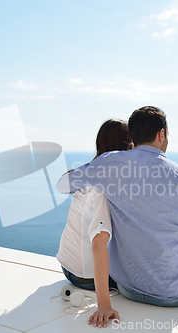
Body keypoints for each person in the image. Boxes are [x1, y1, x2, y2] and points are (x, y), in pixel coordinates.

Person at [56, 106, 178, 316]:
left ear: (133, 136)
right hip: (177, 291)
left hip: (129, 288)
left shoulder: (110, 164)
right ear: (161, 134)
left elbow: (63, 185)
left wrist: (93, 169)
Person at [56, 119, 132, 328]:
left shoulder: (88, 175)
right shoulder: (103, 186)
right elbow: (98, 243)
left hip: (68, 267)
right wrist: (104, 305)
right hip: (84, 277)